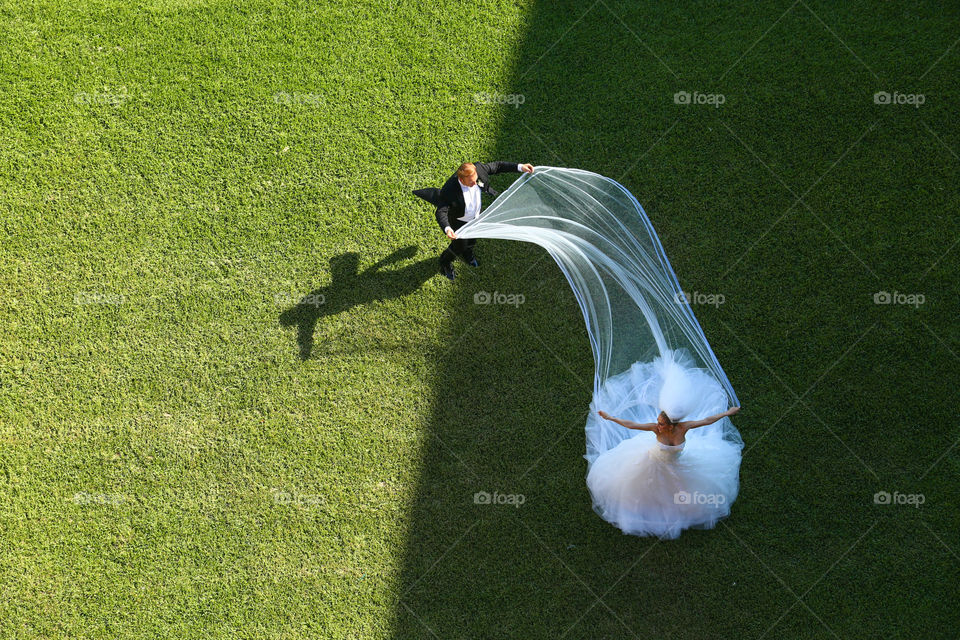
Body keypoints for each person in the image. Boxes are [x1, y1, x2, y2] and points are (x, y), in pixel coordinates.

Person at [422, 161, 534, 280]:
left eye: (476, 180)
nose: (475, 183)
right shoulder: (449, 190)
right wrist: (447, 228)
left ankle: (468, 253)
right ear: (461, 179)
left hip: (476, 217)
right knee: (458, 246)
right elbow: (441, 211)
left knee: (472, 239)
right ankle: (445, 262)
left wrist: (520, 167)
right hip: (460, 221)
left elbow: (498, 166)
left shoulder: (479, 169)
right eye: (471, 182)